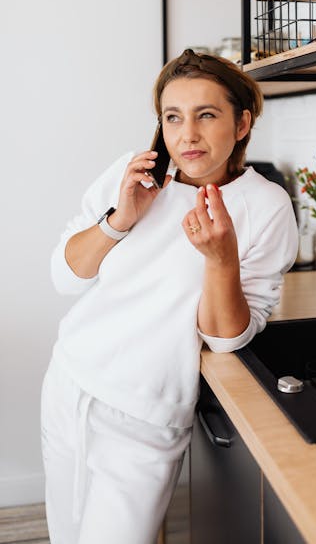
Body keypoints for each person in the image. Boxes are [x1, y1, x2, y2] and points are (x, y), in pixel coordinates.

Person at [42, 48, 298, 544]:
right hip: (71, 381)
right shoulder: (135, 175)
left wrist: (221, 258)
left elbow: (226, 339)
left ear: (242, 123)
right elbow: (65, 275)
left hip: (147, 413)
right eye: (173, 117)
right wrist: (120, 219)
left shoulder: (265, 207)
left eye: (207, 115)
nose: (188, 135)